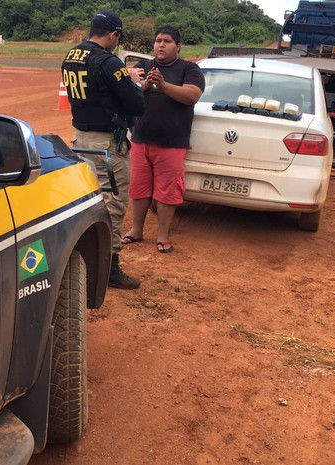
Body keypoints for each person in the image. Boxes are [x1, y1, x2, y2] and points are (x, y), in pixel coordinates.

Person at [61, 10, 146, 289]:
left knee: (87, 199)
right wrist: (134, 82)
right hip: (108, 144)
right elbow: (137, 105)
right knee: (113, 202)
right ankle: (109, 266)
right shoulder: (108, 63)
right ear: (112, 35)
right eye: (117, 38)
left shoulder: (71, 57)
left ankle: (85, 259)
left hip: (81, 139)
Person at [121, 25, 205, 253]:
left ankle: (162, 236)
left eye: (167, 41)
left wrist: (164, 85)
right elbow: (128, 90)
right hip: (140, 139)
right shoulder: (144, 66)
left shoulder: (189, 69)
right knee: (139, 189)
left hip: (172, 143)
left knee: (167, 191)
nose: (161, 44)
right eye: (158, 40)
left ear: (178, 46)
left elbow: (192, 96)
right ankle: (136, 230)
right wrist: (144, 86)